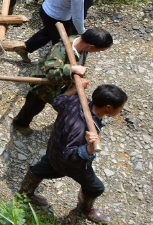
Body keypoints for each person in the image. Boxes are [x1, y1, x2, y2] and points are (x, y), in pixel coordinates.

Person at [19, 84, 126, 224]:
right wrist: (88, 149)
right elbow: (68, 157)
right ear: (108, 108)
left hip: (54, 149)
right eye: (121, 107)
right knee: (95, 188)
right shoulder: (82, 128)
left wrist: (75, 88)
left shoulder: (76, 100)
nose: (122, 109)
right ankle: (84, 208)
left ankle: (24, 194)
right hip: (69, 164)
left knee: (40, 169)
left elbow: (57, 101)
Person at [12, 28, 113, 136]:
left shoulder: (82, 45)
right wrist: (72, 69)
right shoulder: (60, 50)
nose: (97, 53)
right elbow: (51, 73)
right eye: (99, 50)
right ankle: (20, 123)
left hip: (63, 83)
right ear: (91, 46)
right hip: (43, 86)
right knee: (33, 107)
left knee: (69, 102)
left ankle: (66, 120)